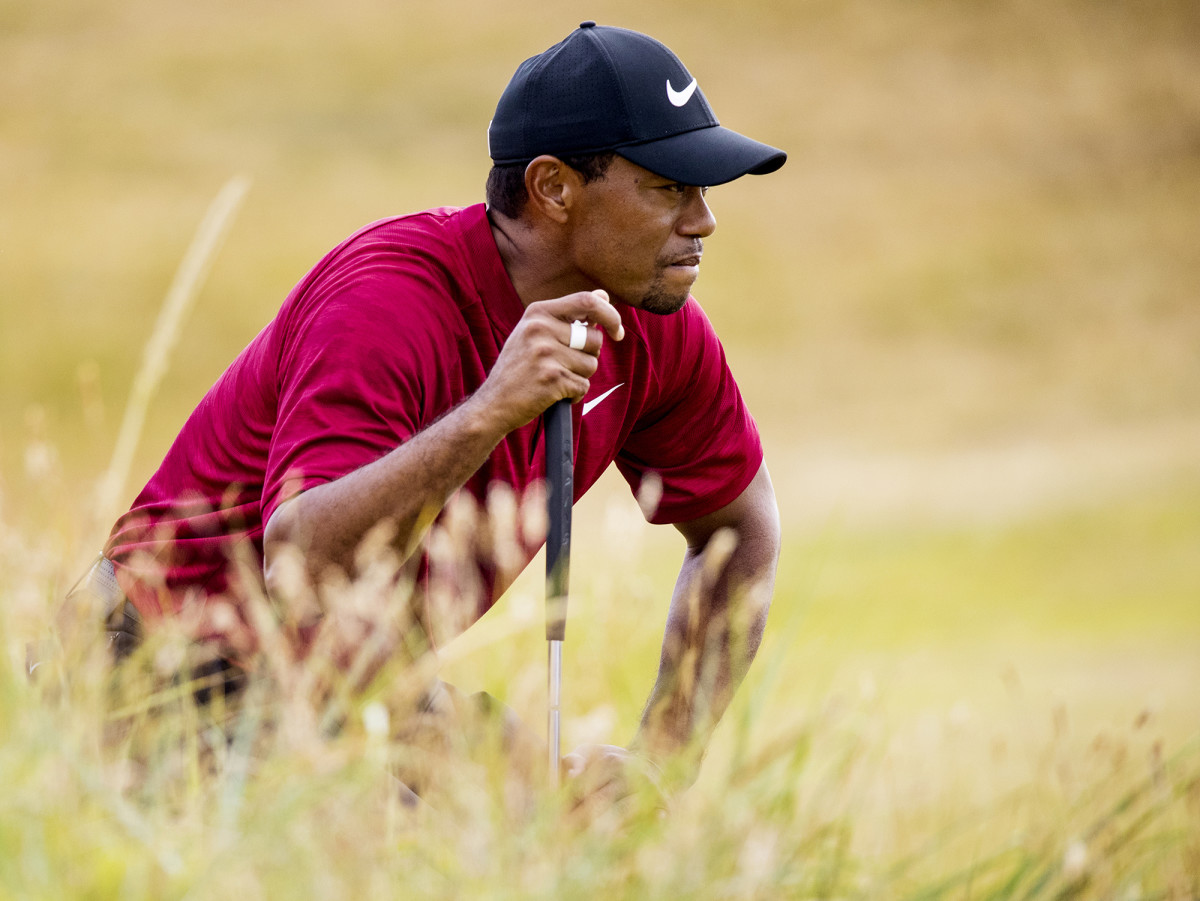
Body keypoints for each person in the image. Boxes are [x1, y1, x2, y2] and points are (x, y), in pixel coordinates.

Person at [83, 22, 785, 794]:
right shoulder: (387, 297)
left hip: (360, 688)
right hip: (160, 666)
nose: (702, 219)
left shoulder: (652, 327)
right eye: (668, 187)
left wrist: (661, 766)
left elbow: (741, 529)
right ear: (553, 187)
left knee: (581, 815)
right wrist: (491, 411)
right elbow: (301, 561)